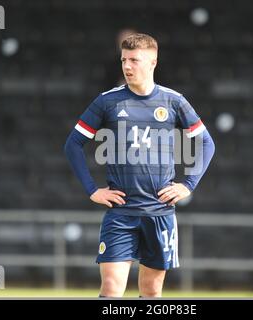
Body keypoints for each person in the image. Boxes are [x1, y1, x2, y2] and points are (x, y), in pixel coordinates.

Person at [64, 33, 215, 297]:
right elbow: (73, 144)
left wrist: (188, 184)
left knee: (151, 291)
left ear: (153, 62)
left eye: (134, 59)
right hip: (121, 213)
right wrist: (92, 190)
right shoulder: (107, 101)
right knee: (111, 288)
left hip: (160, 213)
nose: (127, 66)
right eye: (124, 59)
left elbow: (206, 143)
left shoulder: (173, 101)